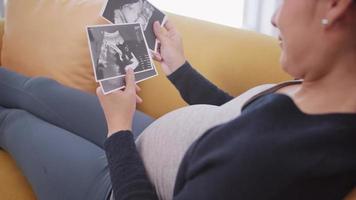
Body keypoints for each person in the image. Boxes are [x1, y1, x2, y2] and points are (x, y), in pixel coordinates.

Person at [0, 0, 355, 200]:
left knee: (14, 123)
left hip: (120, 183)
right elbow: (239, 117)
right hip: (149, 140)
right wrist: (180, 70)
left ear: (336, 6)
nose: (275, 18)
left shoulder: (273, 160)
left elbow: (250, 145)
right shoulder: (320, 89)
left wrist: (119, 129)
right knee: (36, 91)